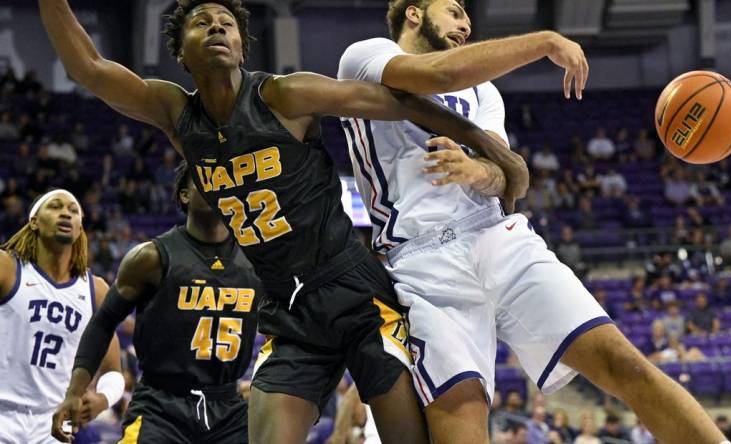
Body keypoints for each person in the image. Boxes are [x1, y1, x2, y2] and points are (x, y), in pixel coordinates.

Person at [39, 1, 527, 442]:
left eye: (226, 23)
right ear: (181, 53)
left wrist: (496, 153)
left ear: (240, 45)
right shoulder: (174, 112)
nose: (216, 28)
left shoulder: (283, 95)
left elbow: (396, 103)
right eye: (201, 22)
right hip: (287, 311)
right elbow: (89, 67)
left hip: (355, 293)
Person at [338, 1, 728, 443]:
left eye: (468, 16)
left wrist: (478, 172)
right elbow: (439, 75)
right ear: (413, 13)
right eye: (454, 11)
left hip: (495, 235)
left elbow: (505, 174)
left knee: (625, 363)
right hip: (421, 264)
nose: (466, 24)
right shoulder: (365, 56)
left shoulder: (484, 91)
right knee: (462, 416)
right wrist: (544, 40)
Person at [52, 163, 261, 442]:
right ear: (185, 195)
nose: (217, 185)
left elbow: (286, 334)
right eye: (207, 179)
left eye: (224, 180)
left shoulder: (258, 262)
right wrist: (74, 392)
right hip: (162, 406)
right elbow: (103, 322)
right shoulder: (151, 257)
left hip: (228, 408)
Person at [0, 189, 124, 443]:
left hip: (55, 424)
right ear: (34, 221)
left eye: (73, 210)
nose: (66, 213)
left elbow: (113, 371)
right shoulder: (7, 268)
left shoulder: (96, 290)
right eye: (55, 207)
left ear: (80, 228)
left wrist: (102, 399)